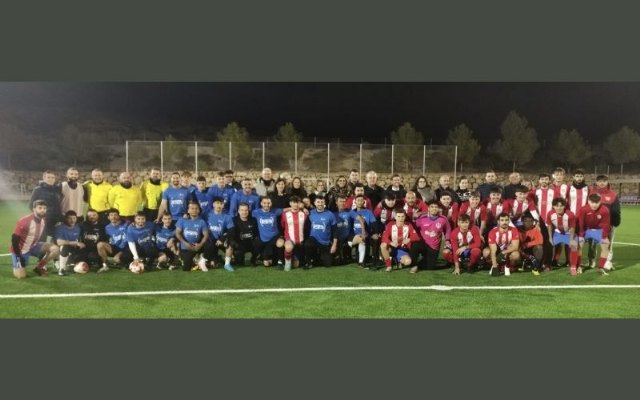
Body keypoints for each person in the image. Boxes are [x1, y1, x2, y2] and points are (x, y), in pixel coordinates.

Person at [10, 200, 60, 278]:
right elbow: (14, 240)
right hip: (20, 250)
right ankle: (18, 264)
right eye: (40, 208)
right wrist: (18, 257)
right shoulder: (24, 221)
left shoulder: (43, 220)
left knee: (55, 249)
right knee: (21, 276)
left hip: (33, 246)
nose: (43, 210)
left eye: (44, 208)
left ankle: (39, 267)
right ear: (34, 209)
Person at [411, 200, 451, 273]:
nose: (434, 209)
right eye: (432, 207)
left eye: (436, 207)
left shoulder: (443, 219)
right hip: (423, 244)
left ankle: (423, 262)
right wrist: (413, 219)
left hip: (434, 247)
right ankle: (414, 265)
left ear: (438, 209)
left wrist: (447, 241)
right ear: (428, 208)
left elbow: (448, 230)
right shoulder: (422, 218)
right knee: (415, 246)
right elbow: (414, 228)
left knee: (430, 267)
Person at [577, 193, 613, 275]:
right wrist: (581, 235)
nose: (594, 205)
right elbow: (581, 223)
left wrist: (604, 236)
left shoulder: (605, 210)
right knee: (578, 245)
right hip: (586, 230)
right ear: (588, 201)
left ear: (600, 202)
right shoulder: (583, 209)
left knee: (606, 244)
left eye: (597, 202)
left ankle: (601, 267)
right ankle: (578, 266)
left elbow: (606, 224)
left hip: (598, 230)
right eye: (592, 202)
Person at [590, 174, 621, 267]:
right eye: (599, 181)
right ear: (596, 182)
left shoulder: (613, 194)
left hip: (608, 224)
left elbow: (616, 210)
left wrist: (615, 223)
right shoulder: (592, 193)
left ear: (607, 182)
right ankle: (592, 261)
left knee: (608, 243)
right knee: (592, 244)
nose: (602, 183)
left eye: (604, 181)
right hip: (593, 224)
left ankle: (608, 261)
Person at [380, 208, 420, 272]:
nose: (400, 218)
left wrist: (409, 239)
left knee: (408, 262)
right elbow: (384, 237)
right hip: (391, 248)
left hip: (402, 249)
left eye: (402, 216)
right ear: (395, 217)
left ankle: (396, 260)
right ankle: (389, 266)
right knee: (383, 245)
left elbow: (417, 237)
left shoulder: (408, 225)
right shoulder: (390, 224)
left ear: (405, 217)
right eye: (398, 216)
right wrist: (391, 243)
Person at [546, 198, 579, 275]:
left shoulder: (570, 214)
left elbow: (572, 227)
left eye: (561, 206)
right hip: (558, 233)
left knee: (574, 245)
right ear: (553, 206)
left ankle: (573, 267)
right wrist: (550, 238)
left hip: (568, 233)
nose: (559, 208)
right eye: (557, 206)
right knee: (548, 245)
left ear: (564, 206)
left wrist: (571, 239)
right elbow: (549, 226)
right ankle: (548, 265)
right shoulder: (550, 214)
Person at [304, 196, 338, 268]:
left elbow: (335, 230)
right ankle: (309, 263)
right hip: (313, 239)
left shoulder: (330, 214)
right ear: (314, 203)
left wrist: (334, 244)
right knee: (307, 244)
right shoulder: (310, 213)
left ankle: (317, 258)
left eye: (322, 202)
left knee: (328, 264)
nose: (320, 204)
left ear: (324, 203)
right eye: (318, 202)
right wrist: (303, 208)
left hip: (325, 242)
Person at [175, 202, 209, 271]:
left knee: (209, 245)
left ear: (199, 210)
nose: (194, 210)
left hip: (197, 246)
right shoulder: (182, 220)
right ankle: (197, 260)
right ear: (188, 210)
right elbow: (177, 233)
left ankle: (200, 259)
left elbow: (206, 235)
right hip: (185, 247)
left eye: (196, 209)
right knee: (186, 268)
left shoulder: (202, 222)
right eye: (192, 208)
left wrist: (200, 245)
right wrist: (185, 243)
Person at [485, 213, 521, 277]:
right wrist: (495, 267)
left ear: (509, 221)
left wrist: (503, 253)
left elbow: (515, 247)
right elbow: (493, 250)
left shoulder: (514, 230)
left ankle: (507, 266)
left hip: (508, 251)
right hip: (497, 251)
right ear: (498, 222)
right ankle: (495, 266)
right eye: (502, 220)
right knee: (486, 252)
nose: (504, 222)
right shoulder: (492, 232)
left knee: (516, 255)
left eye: (506, 220)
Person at [348, 194, 379, 268]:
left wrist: (375, 233)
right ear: (355, 202)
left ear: (364, 202)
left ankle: (374, 261)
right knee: (361, 239)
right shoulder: (352, 212)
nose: (360, 202)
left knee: (375, 239)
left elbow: (374, 224)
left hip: (367, 235)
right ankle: (361, 261)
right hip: (355, 236)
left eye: (361, 201)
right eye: (358, 200)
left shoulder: (368, 212)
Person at [204, 198, 235, 271]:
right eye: (217, 203)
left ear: (223, 205)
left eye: (221, 204)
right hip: (210, 241)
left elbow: (231, 230)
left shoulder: (227, 217)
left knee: (231, 244)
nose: (219, 205)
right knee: (213, 265)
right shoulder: (207, 215)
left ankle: (227, 264)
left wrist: (222, 239)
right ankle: (216, 259)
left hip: (221, 240)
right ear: (213, 204)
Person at [253, 196, 284, 267]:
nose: (266, 205)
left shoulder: (276, 211)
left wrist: (302, 208)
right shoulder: (256, 212)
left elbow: (286, 209)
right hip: (263, 239)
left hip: (274, 237)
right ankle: (261, 257)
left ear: (271, 203)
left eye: (268, 203)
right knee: (266, 264)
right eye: (264, 203)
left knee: (280, 243)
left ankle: (280, 260)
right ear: (261, 203)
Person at [29, 170, 62, 238]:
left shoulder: (57, 189)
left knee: (54, 240)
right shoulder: (38, 190)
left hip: (54, 221)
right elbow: (31, 205)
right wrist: (39, 217)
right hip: (42, 220)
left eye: (53, 178)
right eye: (48, 177)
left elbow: (58, 205)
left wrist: (59, 218)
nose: (51, 179)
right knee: (41, 240)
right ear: (44, 178)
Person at [97, 208, 129, 273]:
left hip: (125, 248)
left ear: (119, 216)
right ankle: (105, 265)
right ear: (108, 217)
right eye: (111, 215)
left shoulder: (126, 224)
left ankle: (127, 264)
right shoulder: (107, 227)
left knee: (117, 259)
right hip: (115, 247)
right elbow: (106, 239)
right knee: (100, 245)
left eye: (115, 215)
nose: (113, 217)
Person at [280, 196, 308, 271]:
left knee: (296, 265)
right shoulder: (285, 214)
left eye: (297, 203)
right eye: (293, 202)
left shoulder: (304, 214)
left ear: (300, 204)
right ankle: (287, 263)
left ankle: (293, 257)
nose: (295, 204)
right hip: (289, 239)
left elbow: (305, 227)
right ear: (290, 203)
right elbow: (283, 225)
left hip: (300, 240)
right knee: (288, 247)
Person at [228, 203, 259, 268]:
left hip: (251, 243)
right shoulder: (233, 220)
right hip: (240, 244)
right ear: (238, 211)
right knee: (239, 263)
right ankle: (236, 258)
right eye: (242, 210)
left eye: (246, 210)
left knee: (258, 242)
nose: (244, 212)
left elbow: (257, 233)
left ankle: (254, 259)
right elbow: (230, 234)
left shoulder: (253, 220)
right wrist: (234, 244)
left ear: (248, 211)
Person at [54, 210, 84, 276]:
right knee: (65, 247)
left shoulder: (77, 227)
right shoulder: (60, 228)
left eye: (74, 218)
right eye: (69, 218)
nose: (72, 220)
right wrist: (75, 243)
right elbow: (59, 242)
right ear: (66, 219)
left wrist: (80, 244)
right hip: (62, 249)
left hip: (72, 248)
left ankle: (69, 262)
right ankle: (61, 269)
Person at [333, 194, 355, 265]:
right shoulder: (332, 213)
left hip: (348, 236)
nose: (342, 203)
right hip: (336, 237)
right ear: (336, 202)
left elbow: (358, 218)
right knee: (336, 260)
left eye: (344, 201)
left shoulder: (350, 211)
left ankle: (349, 256)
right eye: (340, 201)